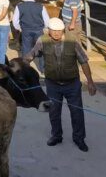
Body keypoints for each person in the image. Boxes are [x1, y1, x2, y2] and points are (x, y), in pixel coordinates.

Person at [23, 18, 97, 152]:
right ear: (48, 30)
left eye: (59, 31)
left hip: (72, 84)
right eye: (53, 31)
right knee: (54, 111)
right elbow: (33, 53)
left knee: (77, 112)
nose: (56, 33)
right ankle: (56, 136)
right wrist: (24, 62)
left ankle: (79, 138)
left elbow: (84, 62)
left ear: (63, 29)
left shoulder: (72, 40)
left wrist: (90, 82)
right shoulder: (43, 40)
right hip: (52, 84)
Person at [13, 0, 50, 69]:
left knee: (26, 48)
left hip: (26, 29)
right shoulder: (41, 6)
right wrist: (45, 28)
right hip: (39, 30)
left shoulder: (19, 6)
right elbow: (47, 20)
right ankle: (42, 68)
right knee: (41, 48)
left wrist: (19, 28)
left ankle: (26, 67)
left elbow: (15, 21)